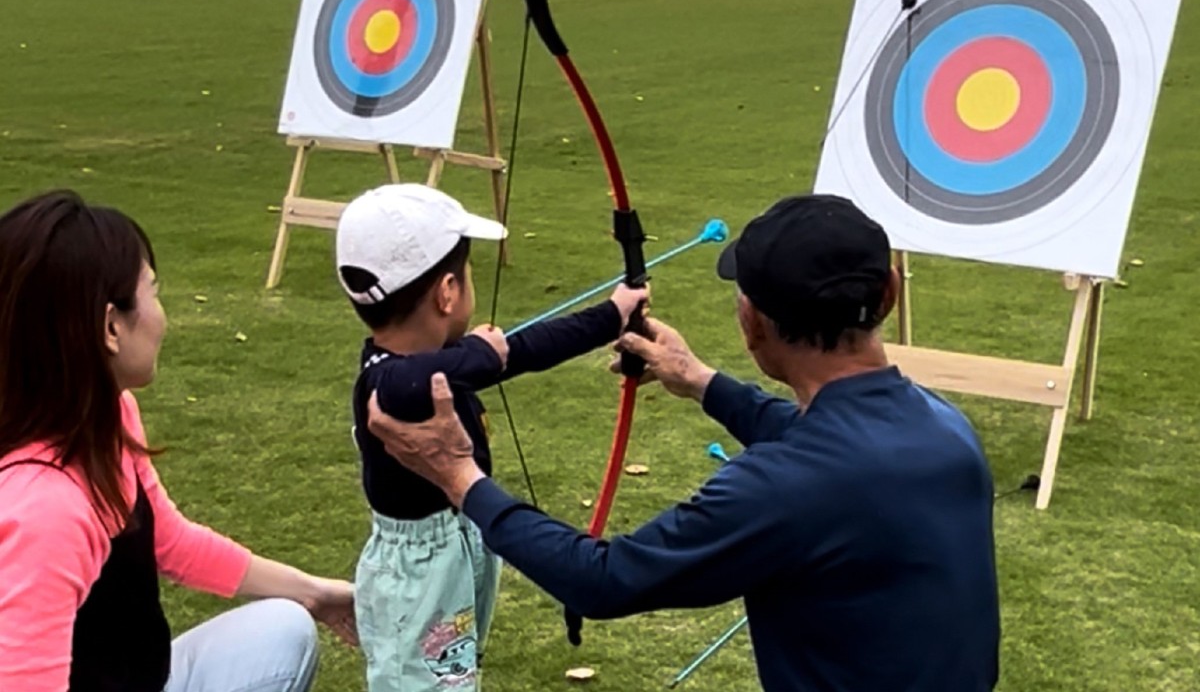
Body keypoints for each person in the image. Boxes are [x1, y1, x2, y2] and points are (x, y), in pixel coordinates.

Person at [365, 193, 1001, 691]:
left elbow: (604, 580)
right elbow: (829, 448)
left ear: (750, 321)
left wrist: (459, 477)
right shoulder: (943, 427)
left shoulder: (784, 488)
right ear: (889, 291)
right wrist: (700, 381)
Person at [0, 190, 357, 692]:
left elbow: (170, 541)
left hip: (143, 675)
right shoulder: (45, 509)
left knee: (285, 627)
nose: (163, 316)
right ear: (110, 327)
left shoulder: (109, 414)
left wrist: (314, 592)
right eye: (154, 291)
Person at [332, 183, 647, 692]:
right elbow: (409, 381)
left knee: (455, 676)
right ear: (447, 292)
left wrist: (612, 315)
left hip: (459, 541)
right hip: (416, 572)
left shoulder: (443, 364)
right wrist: (482, 354)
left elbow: (526, 349)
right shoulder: (386, 380)